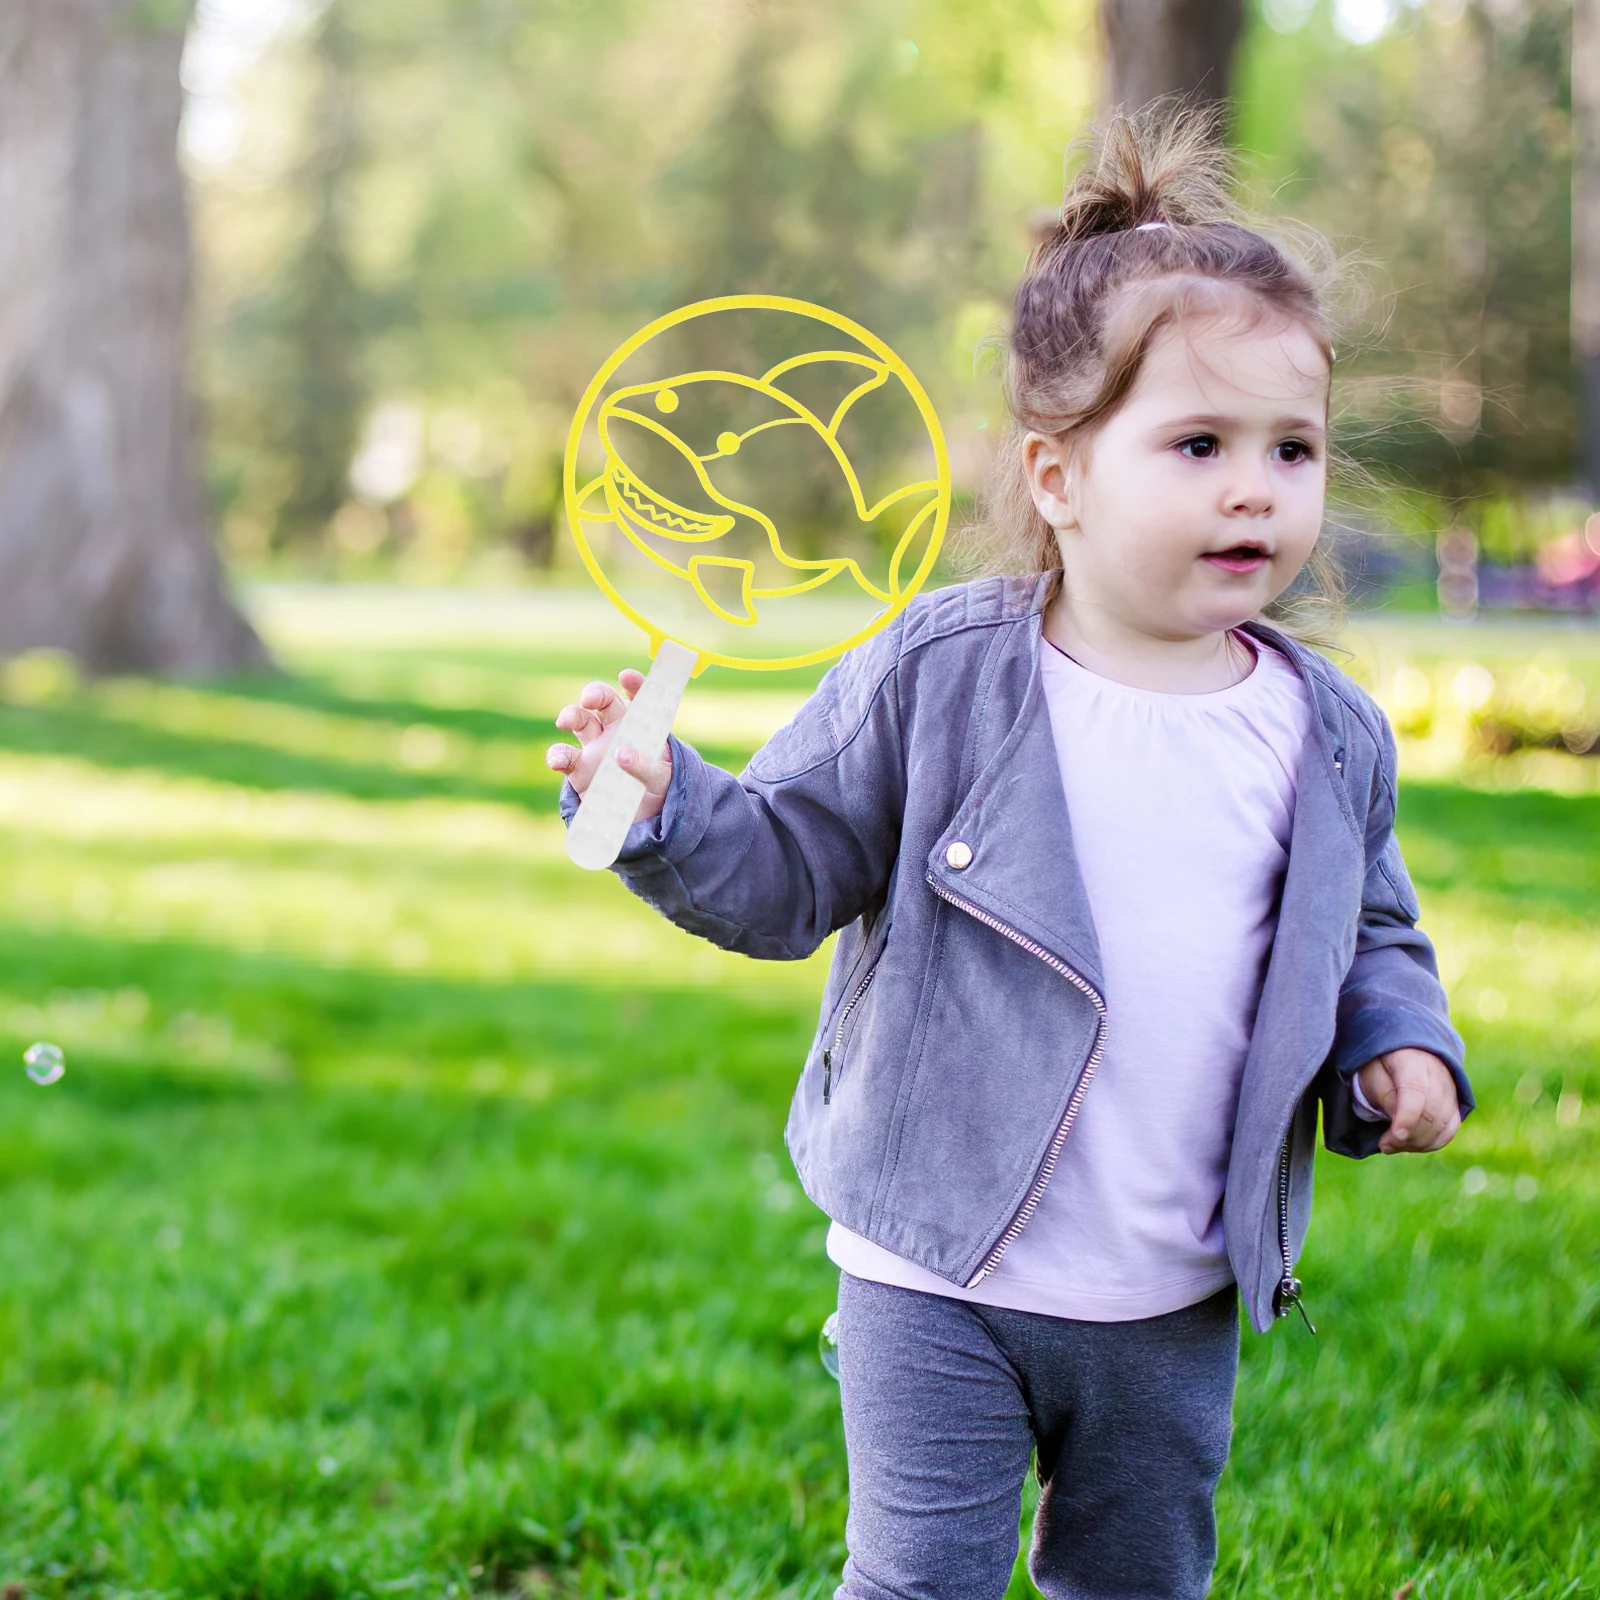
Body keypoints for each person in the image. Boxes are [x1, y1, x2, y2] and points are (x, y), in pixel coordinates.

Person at [545, 109, 1472, 1600]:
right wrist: (665, 807)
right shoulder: (948, 674)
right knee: (921, 1580)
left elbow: (1370, 934)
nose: (1257, 487)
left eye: (1291, 448)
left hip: (1175, 1287)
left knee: (1141, 1578)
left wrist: (1399, 1049)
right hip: (937, 1268)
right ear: (1058, 477)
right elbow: (789, 866)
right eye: (1199, 444)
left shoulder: (1329, 734)